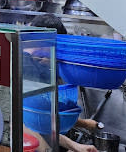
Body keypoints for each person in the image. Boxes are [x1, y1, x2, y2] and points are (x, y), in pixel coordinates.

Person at [27, 14, 99, 152]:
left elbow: (48, 114)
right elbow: (39, 122)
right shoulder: (30, 73)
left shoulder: (48, 70)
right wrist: (75, 145)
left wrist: (82, 124)